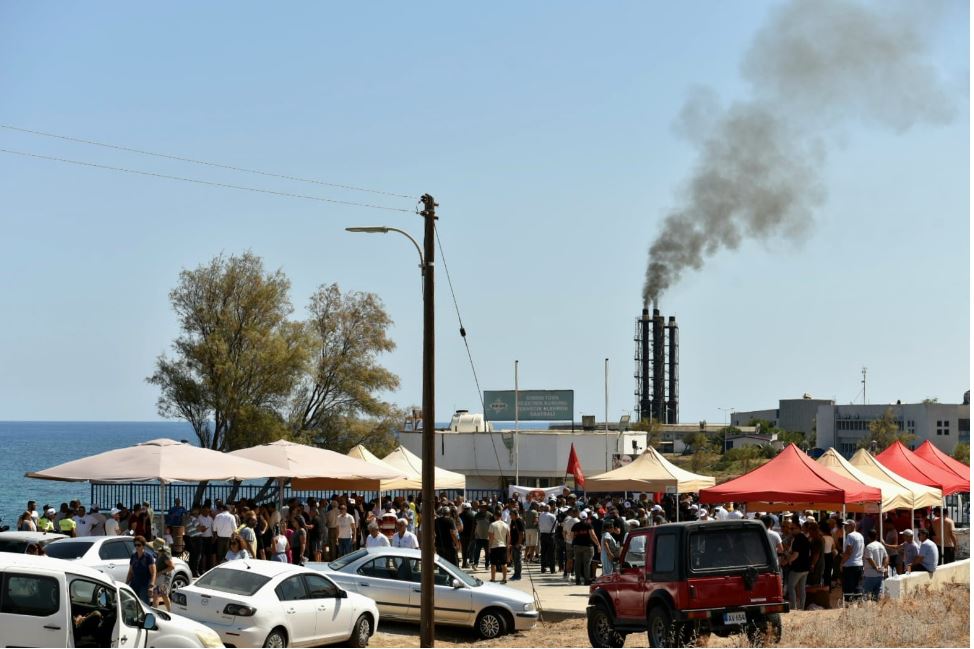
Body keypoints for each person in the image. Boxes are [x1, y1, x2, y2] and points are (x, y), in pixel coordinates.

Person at [571, 511, 601, 586]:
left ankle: (577, 580)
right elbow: (593, 535)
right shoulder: (589, 525)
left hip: (577, 546)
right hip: (588, 546)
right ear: (586, 517)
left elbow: (572, 536)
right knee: (587, 564)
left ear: (579, 517)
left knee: (577, 563)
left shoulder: (575, 525)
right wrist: (598, 544)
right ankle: (586, 580)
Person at [126, 535, 157, 604]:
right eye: (135, 545)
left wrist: (151, 586)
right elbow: (130, 572)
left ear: (143, 545)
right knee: (132, 603)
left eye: (139, 545)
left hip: (145, 585)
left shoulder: (148, 557)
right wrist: (126, 583)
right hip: (134, 584)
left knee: (144, 605)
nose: (136, 547)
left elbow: (153, 573)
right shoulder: (133, 556)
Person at [787, 521, 810, 610]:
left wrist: (789, 560)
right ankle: (802, 607)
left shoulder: (797, 539)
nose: (791, 531)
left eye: (792, 529)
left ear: (799, 528)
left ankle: (793, 607)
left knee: (791, 586)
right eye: (790, 529)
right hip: (805, 567)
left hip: (798, 568)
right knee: (802, 589)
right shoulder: (805, 538)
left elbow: (796, 555)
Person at [840, 519, 864, 601]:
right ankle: (858, 603)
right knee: (857, 585)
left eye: (847, 525)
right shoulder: (860, 536)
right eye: (844, 525)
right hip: (859, 564)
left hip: (850, 565)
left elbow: (848, 551)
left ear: (853, 526)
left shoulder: (850, 536)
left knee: (848, 586)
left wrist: (842, 563)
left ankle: (848, 604)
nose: (845, 527)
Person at [862, 529, 888, 600]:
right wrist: (883, 567)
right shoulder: (881, 546)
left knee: (866, 596)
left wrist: (876, 568)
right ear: (876, 536)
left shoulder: (869, 547)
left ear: (868, 537)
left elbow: (870, 559)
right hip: (880, 575)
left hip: (870, 575)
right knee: (877, 597)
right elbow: (886, 557)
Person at [152, 539, 175, 611]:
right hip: (159, 577)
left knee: (160, 595)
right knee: (160, 595)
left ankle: (169, 612)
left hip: (164, 577)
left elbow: (172, 566)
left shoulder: (164, 554)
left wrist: (160, 572)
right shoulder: (159, 553)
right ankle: (169, 611)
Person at [487, 509, 510, 584]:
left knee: (493, 563)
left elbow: (491, 537)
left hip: (494, 546)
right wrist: (507, 546)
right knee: (504, 563)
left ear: (495, 516)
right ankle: (504, 578)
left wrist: (489, 547)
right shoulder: (506, 525)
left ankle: (493, 578)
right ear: (501, 516)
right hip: (503, 545)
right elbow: (508, 536)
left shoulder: (492, 525)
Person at [538, 503, 557, 574]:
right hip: (550, 535)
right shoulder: (552, 515)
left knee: (543, 552)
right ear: (549, 509)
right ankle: (552, 569)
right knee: (551, 553)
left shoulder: (541, 515)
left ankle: (543, 567)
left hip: (543, 535)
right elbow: (556, 525)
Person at [472, 503, 492, 570]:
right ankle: (475, 564)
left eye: (483, 507)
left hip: (487, 537)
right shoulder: (477, 515)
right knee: (477, 551)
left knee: (487, 552)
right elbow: (474, 525)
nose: (482, 508)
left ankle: (487, 565)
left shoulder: (490, 515)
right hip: (478, 537)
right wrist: (473, 534)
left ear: (486, 508)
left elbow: (492, 526)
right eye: (481, 507)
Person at [508, 509, 525, 580]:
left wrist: (519, 543)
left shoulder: (519, 521)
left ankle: (518, 575)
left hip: (518, 544)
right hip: (513, 543)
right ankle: (516, 573)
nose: (510, 516)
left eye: (511, 515)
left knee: (518, 560)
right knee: (514, 559)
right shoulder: (513, 521)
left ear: (515, 514)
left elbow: (522, 534)